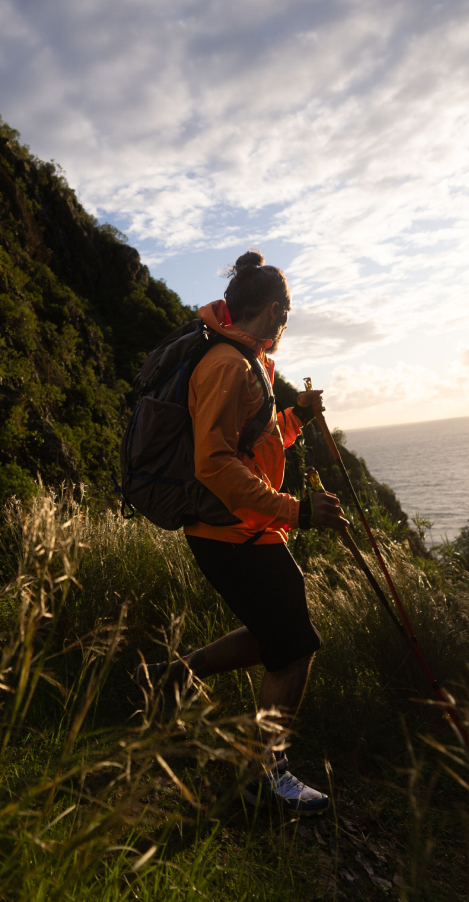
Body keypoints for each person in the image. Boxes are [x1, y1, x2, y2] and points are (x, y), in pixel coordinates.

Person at [139, 250, 347, 814]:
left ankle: (171, 678)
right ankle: (265, 774)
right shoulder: (229, 364)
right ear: (274, 310)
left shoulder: (242, 356)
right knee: (295, 643)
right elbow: (214, 464)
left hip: (236, 525)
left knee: (276, 630)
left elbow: (250, 445)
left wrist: (295, 418)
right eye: (287, 314)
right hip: (230, 528)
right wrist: (295, 511)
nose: (286, 324)